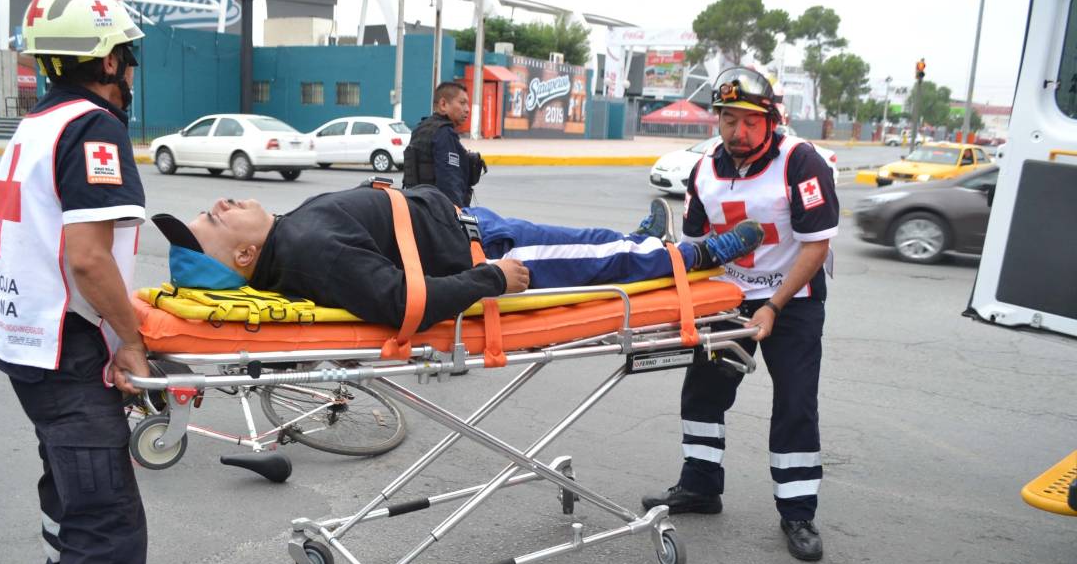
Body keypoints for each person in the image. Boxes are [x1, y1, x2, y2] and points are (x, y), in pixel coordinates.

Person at [0, 0, 155, 564]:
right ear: (107, 59)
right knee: (108, 524)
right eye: (127, 54)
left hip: (19, 341)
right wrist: (134, 343)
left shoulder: (35, 125)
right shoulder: (95, 127)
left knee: (65, 472)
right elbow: (87, 258)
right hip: (67, 346)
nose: (131, 69)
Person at [641, 66, 839, 562]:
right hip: (727, 299)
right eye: (730, 119)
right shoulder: (704, 168)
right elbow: (698, 245)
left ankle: (797, 511)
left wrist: (772, 306)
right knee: (703, 392)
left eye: (751, 121)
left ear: (770, 119)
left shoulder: (800, 162)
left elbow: (816, 247)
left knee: (795, 402)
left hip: (793, 300)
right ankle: (701, 487)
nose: (739, 131)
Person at [149, 187, 765, 331]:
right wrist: (491, 278)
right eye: (213, 220)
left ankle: (645, 246)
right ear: (246, 252)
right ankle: (694, 254)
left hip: (475, 228)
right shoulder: (310, 251)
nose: (220, 204)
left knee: (595, 242)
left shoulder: (294, 234)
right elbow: (402, 304)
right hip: (492, 254)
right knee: (604, 264)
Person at [403, 82, 487, 208]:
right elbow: (449, 183)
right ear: (443, 105)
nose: (467, 109)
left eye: (467, 104)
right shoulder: (444, 133)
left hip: (416, 207)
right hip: (437, 213)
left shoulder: (420, 128)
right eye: (462, 103)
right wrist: (457, 216)